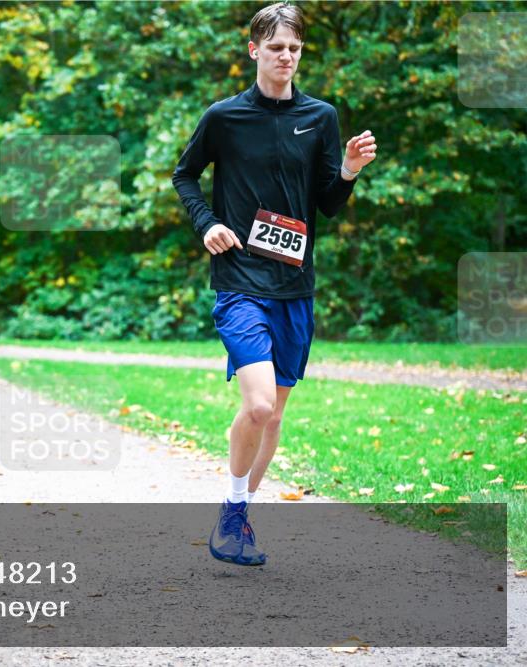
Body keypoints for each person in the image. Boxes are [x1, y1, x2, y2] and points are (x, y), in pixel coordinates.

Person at [171, 1, 377, 566]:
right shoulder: (224, 117)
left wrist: (350, 171)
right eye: (277, 47)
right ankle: (234, 512)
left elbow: (329, 205)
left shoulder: (322, 117)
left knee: (277, 414)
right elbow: (184, 174)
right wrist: (207, 222)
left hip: (295, 285)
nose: (286, 56)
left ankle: (237, 516)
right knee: (258, 406)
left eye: (295, 48)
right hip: (239, 279)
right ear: (254, 49)